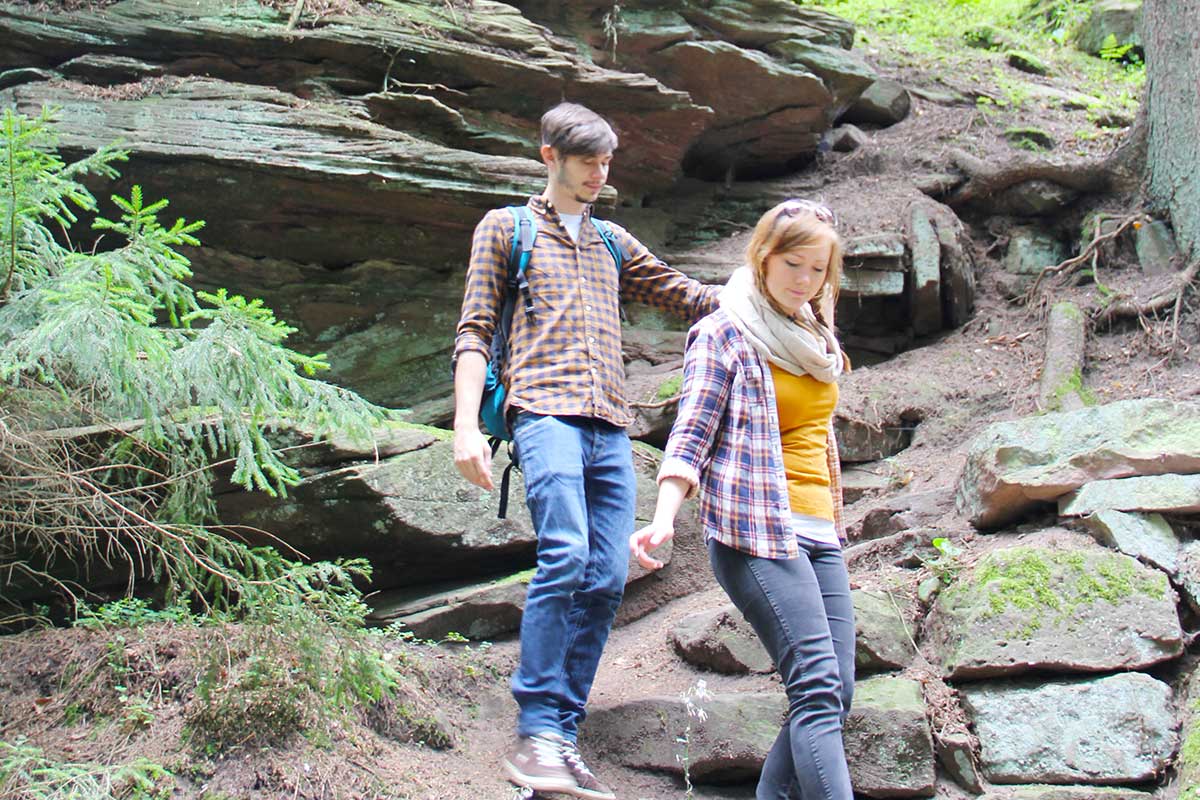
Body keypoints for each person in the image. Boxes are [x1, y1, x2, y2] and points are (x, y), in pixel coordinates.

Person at [452, 101, 719, 799]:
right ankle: (536, 727)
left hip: (609, 424)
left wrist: (773, 293)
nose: (600, 173)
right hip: (542, 413)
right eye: (587, 161)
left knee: (606, 578)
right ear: (549, 156)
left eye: (607, 162)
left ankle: (560, 738)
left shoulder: (612, 241)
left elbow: (687, 296)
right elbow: (475, 330)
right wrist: (463, 427)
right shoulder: (506, 228)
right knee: (566, 552)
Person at [629, 199, 856, 800]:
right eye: (793, 264)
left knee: (839, 690)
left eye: (817, 269)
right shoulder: (725, 330)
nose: (804, 281)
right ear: (763, 256)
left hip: (819, 528)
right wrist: (662, 519)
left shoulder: (814, 336)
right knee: (814, 684)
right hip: (757, 530)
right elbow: (692, 432)